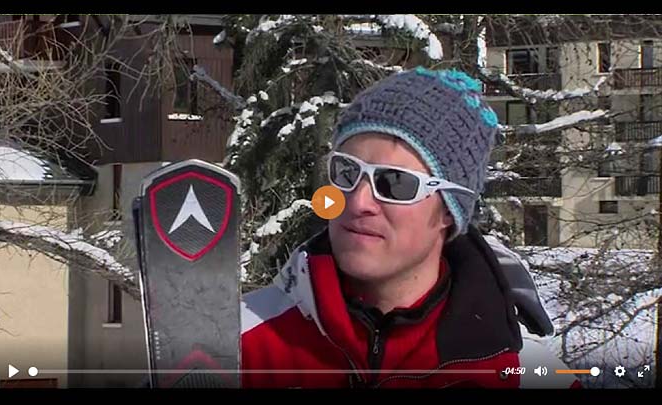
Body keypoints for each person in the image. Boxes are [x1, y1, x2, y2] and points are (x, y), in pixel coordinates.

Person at [240, 67, 580, 389]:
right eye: (346, 171)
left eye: (395, 183)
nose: (358, 202)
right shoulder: (237, 343)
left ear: (449, 210)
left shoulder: (523, 374)